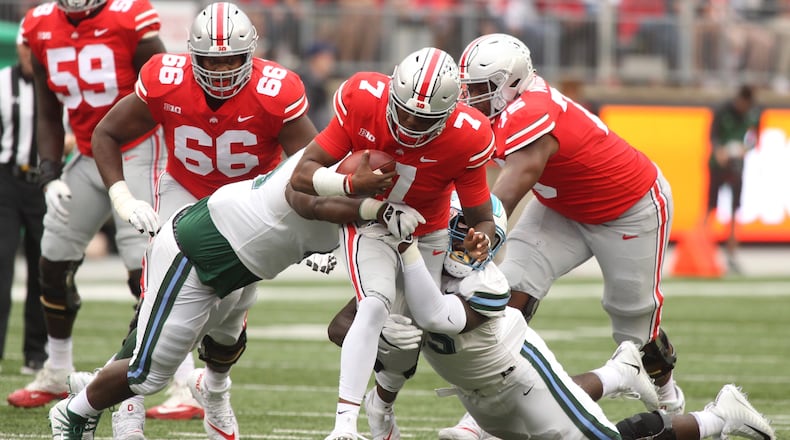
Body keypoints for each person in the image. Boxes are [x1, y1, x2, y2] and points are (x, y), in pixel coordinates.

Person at [47, 148, 426, 439]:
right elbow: (309, 202)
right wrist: (371, 206)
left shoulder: (350, 193)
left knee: (226, 343)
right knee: (148, 375)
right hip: (198, 252)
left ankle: (209, 392)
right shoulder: (308, 182)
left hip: (242, 269)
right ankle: (75, 410)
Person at [89, 1, 318, 429]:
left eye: (232, 58)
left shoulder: (275, 92)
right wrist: (122, 198)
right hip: (185, 192)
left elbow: (313, 163)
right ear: (193, 56)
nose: (222, 69)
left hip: (248, 204)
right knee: (157, 298)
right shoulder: (165, 79)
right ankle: (129, 405)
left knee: (229, 316)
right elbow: (107, 131)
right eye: (212, 60)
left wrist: (311, 230)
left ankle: (214, 388)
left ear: (251, 53)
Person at [455, 33, 685, 417]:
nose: (470, 96)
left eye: (480, 88)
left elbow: (507, 193)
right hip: (562, 206)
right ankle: (493, 402)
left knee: (634, 330)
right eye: (468, 87)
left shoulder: (530, 111)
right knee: (509, 292)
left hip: (629, 208)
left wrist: (474, 236)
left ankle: (668, 395)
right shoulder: (500, 110)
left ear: (509, 84)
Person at [375, 225, 775, 440]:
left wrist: (405, 264)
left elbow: (438, 315)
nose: (461, 248)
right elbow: (353, 322)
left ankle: (719, 417)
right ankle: (619, 374)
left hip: (520, 377)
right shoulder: (415, 277)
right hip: (480, 396)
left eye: (472, 240)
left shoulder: (488, 284)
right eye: (456, 237)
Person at [289, 46, 497, 439]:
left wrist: (480, 240)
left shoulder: (468, 137)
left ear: (449, 111)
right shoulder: (362, 97)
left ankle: (382, 405)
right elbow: (302, 175)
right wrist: (352, 186)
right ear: (391, 94)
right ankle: (344, 426)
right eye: (404, 111)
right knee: (374, 304)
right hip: (368, 219)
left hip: (427, 230)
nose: (411, 123)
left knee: (408, 336)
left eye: (424, 118)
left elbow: (481, 218)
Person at [8, 0, 167, 409]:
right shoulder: (40, 25)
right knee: (52, 262)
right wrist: (49, 174)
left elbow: (166, 90)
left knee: (147, 270)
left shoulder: (130, 16)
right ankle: (57, 368)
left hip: (139, 149)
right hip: (86, 153)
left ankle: (182, 380)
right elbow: (49, 109)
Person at [0, 31, 47, 376]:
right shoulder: (2, 82)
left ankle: (37, 352)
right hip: (7, 179)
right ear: (19, 48)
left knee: (45, 268)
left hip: (45, 184)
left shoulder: (57, 84)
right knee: (2, 263)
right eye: (26, 48)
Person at [704, 84, 760, 274]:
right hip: (718, 164)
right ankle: (703, 249)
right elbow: (712, 135)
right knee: (710, 207)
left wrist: (746, 149)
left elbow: (754, 137)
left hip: (736, 165)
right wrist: (718, 151)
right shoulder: (723, 110)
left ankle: (732, 253)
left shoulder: (752, 113)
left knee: (735, 210)